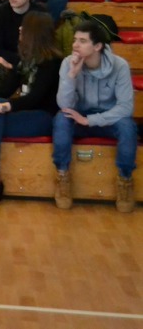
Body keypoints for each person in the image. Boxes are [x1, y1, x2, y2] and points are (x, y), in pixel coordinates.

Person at [0, 12, 61, 203]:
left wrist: (2, 107)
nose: (20, 29)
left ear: (34, 33)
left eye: (24, 27)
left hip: (43, 116)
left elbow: (34, 99)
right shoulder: (25, 59)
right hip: (25, 112)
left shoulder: (52, 62)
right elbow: (8, 88)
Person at [52, 20, 137, 213]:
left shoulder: (120, 66)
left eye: (82, 41)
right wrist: (71, 76)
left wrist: (90, 120)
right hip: (79, 115)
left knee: (127, 127)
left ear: (97, 46)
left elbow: (125, 107)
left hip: (108, 118)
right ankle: (62, 176)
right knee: (61, 119)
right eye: (75, 40)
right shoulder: (68, 63)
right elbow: (64, 105)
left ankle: (125, 180)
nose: (75, 45)